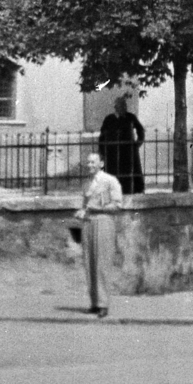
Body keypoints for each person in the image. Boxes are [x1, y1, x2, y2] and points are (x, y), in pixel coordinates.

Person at [78, 149, 123, 317]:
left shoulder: (110, 181)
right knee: (89, 262)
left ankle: (103, 304)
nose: (89, 165)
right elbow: (85, 204)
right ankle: (94, 303)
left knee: (102, 263)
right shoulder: (86, 183)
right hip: (89, 223)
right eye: (88, 162)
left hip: (104, 221)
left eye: (93, 162)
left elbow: (117, 205)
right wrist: (82, 212)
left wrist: (99, 208)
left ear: (101, 164)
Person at [97, 95, 146, 194]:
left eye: (125, 105)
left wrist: (137, 143)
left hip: (128, 151)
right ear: (116, 107)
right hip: (112, 152)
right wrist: (102, 151)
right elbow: (102, 136)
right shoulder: (109, 119)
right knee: (113, 173)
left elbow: (140, 129)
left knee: (129, 173)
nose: (124, 108)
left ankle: (131, 191)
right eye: (121, 106)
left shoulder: (130, 117)